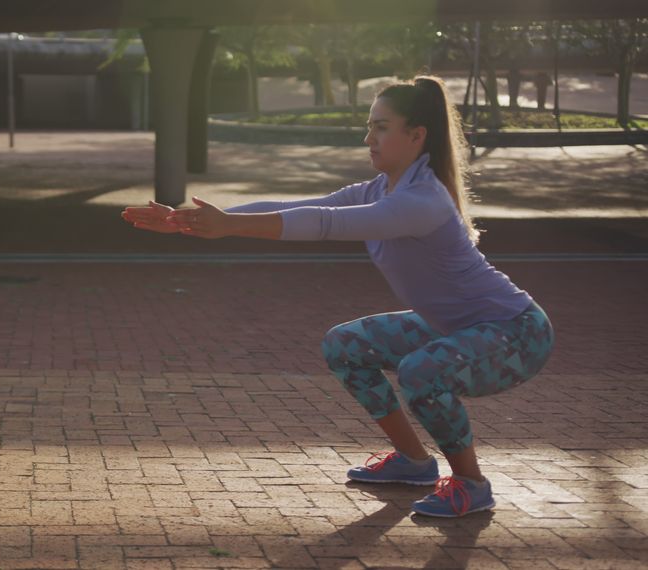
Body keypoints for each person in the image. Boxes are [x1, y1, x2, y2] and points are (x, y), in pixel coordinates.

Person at [120, 75, 555, 518]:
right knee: (345, 345)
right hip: (454, 328)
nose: (368, 138)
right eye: (369, 126)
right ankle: (414, 462)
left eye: (381, 127)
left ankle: (470, 483)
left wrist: (228, 226)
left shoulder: (422, 201)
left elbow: (325, 223)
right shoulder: (380, 189)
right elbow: (297, 208)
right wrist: (191, 220)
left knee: (421, 372)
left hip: (517, 332)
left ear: (416, 135)